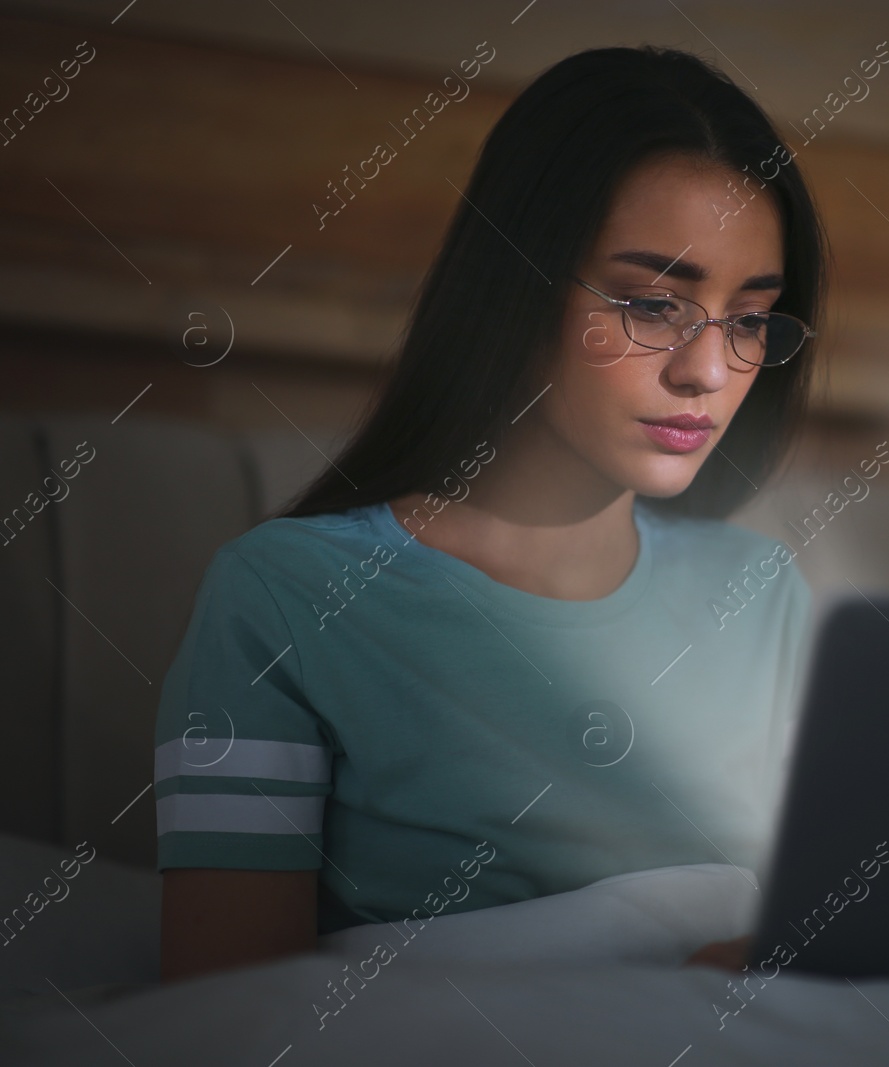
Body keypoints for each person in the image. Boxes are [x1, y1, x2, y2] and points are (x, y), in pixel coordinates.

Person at [154, 44, 826, 983]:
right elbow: (219, 1012)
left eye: (749, 318)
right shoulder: (281, 596)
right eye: (650, 303)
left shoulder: (764, 597)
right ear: (516, 284)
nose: (708, 371)